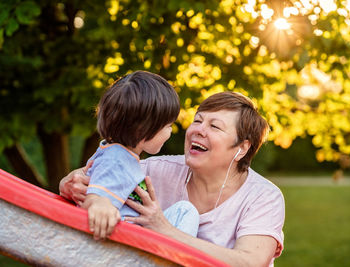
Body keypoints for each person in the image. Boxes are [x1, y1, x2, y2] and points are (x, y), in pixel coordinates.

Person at [60, 91, 285, 266]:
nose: (198, 130)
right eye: (197, 121)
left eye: (214, 126)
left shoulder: (263, 197)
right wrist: (71, 182)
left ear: (242, 148)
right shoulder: (158, 169)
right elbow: (107, 169)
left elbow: (249, 263)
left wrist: (166, 230)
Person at [80, 70, 199, 240]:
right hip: (126, 240)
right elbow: (96, 197)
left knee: (184, 209)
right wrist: (100, 202)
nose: (171, 131)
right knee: (187, 212)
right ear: (142, 129)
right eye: (168, 126)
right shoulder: (117, 159)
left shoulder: (116, 153)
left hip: (134, 230)